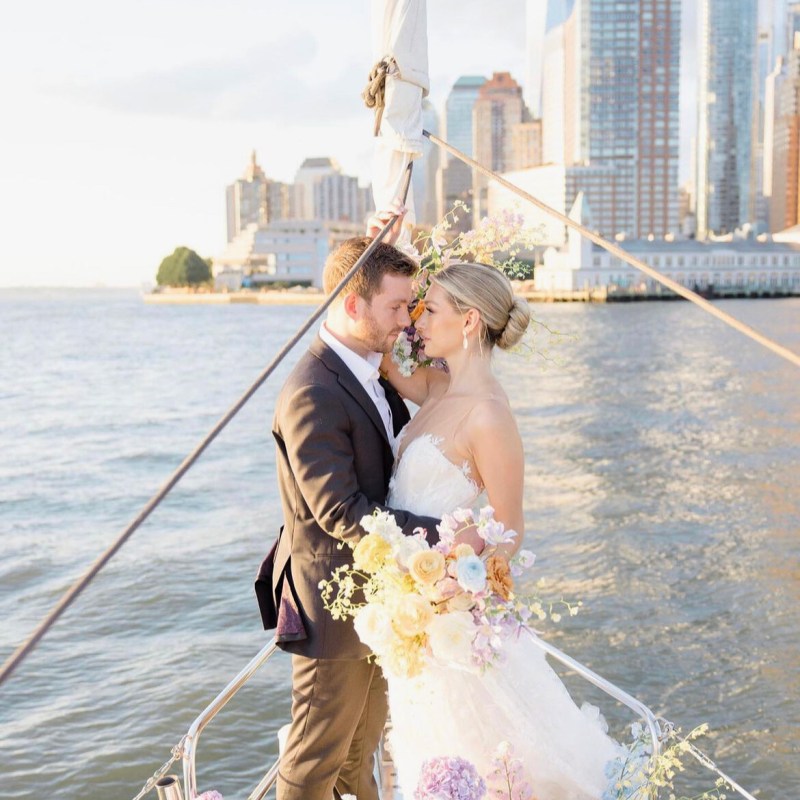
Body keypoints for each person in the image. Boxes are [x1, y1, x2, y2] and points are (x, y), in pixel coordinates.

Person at [380, 261, 621, 800]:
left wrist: (449, 574)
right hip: (411, 614)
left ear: (468, 322)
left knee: (485, 766)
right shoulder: (436, 388)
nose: (418, 318)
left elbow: (510, 525)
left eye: (431, 308)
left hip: (445, 611)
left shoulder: (489, 415)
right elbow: (384, 355)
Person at [254, 232, 440, 800]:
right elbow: (340, 511)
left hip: (378, 605)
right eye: (395, 306)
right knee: (313, 762)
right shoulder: (313, 391)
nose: (406, 319)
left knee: (360, 756)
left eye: (410, 306)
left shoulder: (368, 368)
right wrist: (443, 536)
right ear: (352, 304)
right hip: (331, 614)